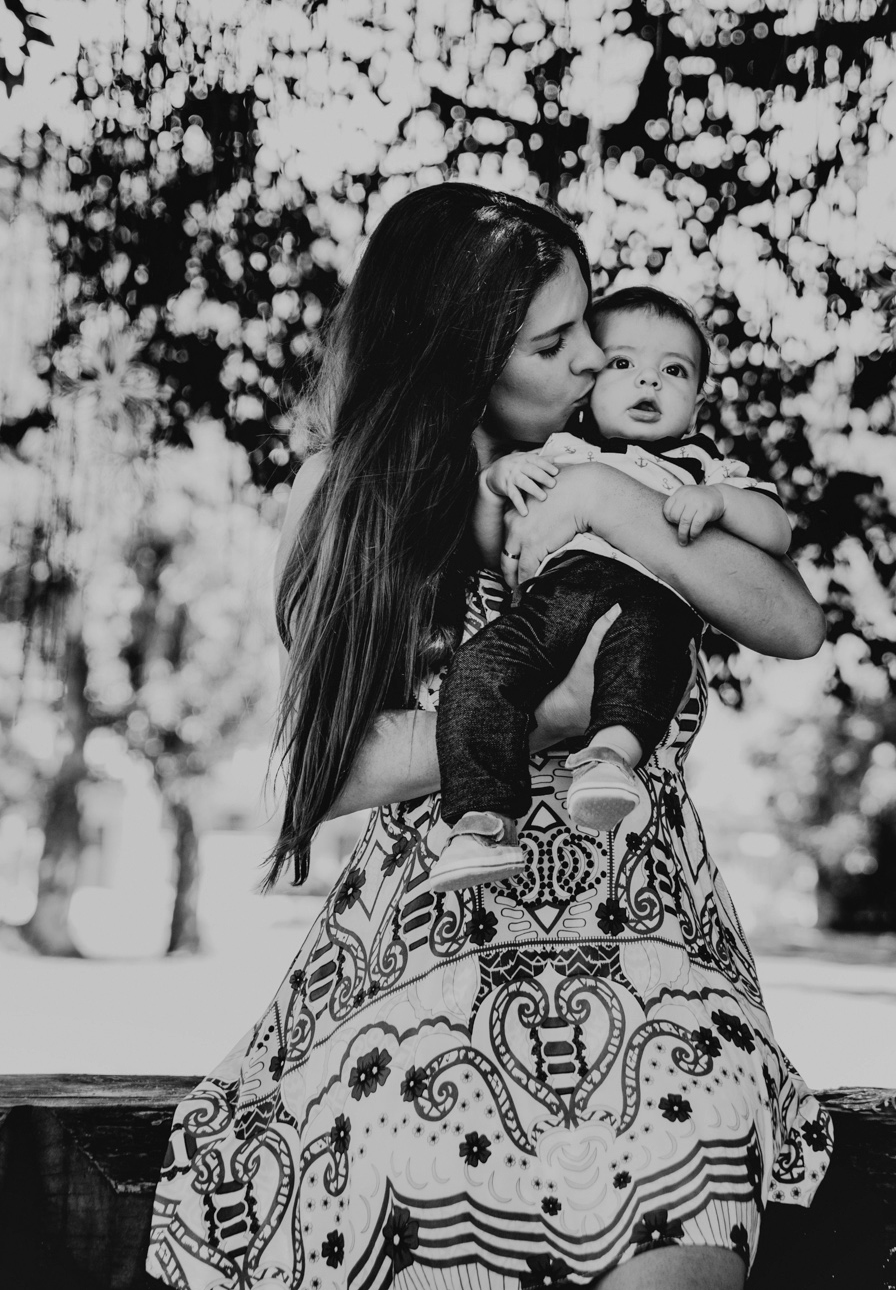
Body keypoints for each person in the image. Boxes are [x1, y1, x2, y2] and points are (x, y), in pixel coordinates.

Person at [145, 183, 833, 1290]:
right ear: (461, 357)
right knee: (426, 1177)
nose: (592, 362)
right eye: (554, 345)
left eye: (587, 329)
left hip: (653, 944)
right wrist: (545, 715)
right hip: (434, 948)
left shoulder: (637, 469)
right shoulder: (352, 494)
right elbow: (324, 770)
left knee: (685, 1207)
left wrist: (606, 499)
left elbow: (792, 623)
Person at [430, 286, 792, 893]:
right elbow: (499, 553)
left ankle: (610, 758)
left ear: (699, 400)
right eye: (623, 363)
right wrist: (496, 485)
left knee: (648, 656)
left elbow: (777, 531)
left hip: (649, 602)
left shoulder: (705, 466)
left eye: (673, 371)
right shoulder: (561, 451)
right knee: (478, 668)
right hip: (551, 602)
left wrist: (722, 503)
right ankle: (483, 820)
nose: (648, 381)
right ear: (590, 382)